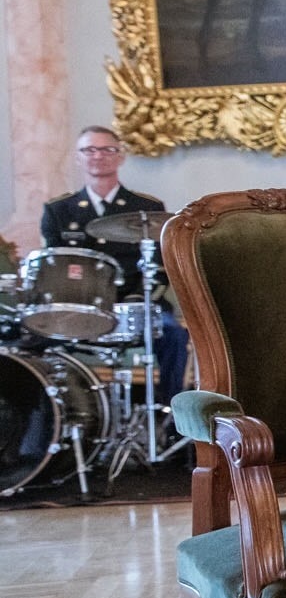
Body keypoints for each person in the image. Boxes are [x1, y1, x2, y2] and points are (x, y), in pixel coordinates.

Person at [40, 126, 190, 401]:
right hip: (81, 306)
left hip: (137, 303)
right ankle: (56, 422)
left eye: (107, 149)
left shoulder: (146, 208)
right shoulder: (58, 211)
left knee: (173, 335)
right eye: (89, 150)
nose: (98, 156)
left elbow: (160, 264)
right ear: (78, 157)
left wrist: (137, 299)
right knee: (35, 337)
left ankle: (170, 418)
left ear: (120, 156)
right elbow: (56, 268)